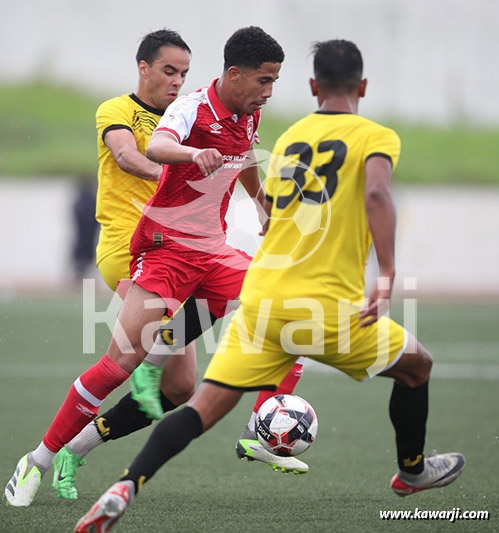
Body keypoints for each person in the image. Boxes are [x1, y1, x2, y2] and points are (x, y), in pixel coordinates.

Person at [74, 39, 466, 532]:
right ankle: (411, 471)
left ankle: (125, 485)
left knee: (198, 407)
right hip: (318, 305)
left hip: (262, 301)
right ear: (362, 87)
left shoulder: (292, 138)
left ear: (311, 86)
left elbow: (272, 203)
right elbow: (375, 192)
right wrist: (385, 273)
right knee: (417, 367)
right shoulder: (375, 136)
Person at [4, 26, 308, 510]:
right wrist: (190, 158)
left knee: (283, 306)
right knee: (121, 363)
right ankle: (38, 459)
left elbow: (243, 155)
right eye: (264, 80)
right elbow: (146, 150)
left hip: (209, 248)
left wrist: (263, 203)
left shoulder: (244, 113)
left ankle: (259, 428)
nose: (270, 92)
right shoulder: (177, 110)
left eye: (183, 71)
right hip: (151, 248)